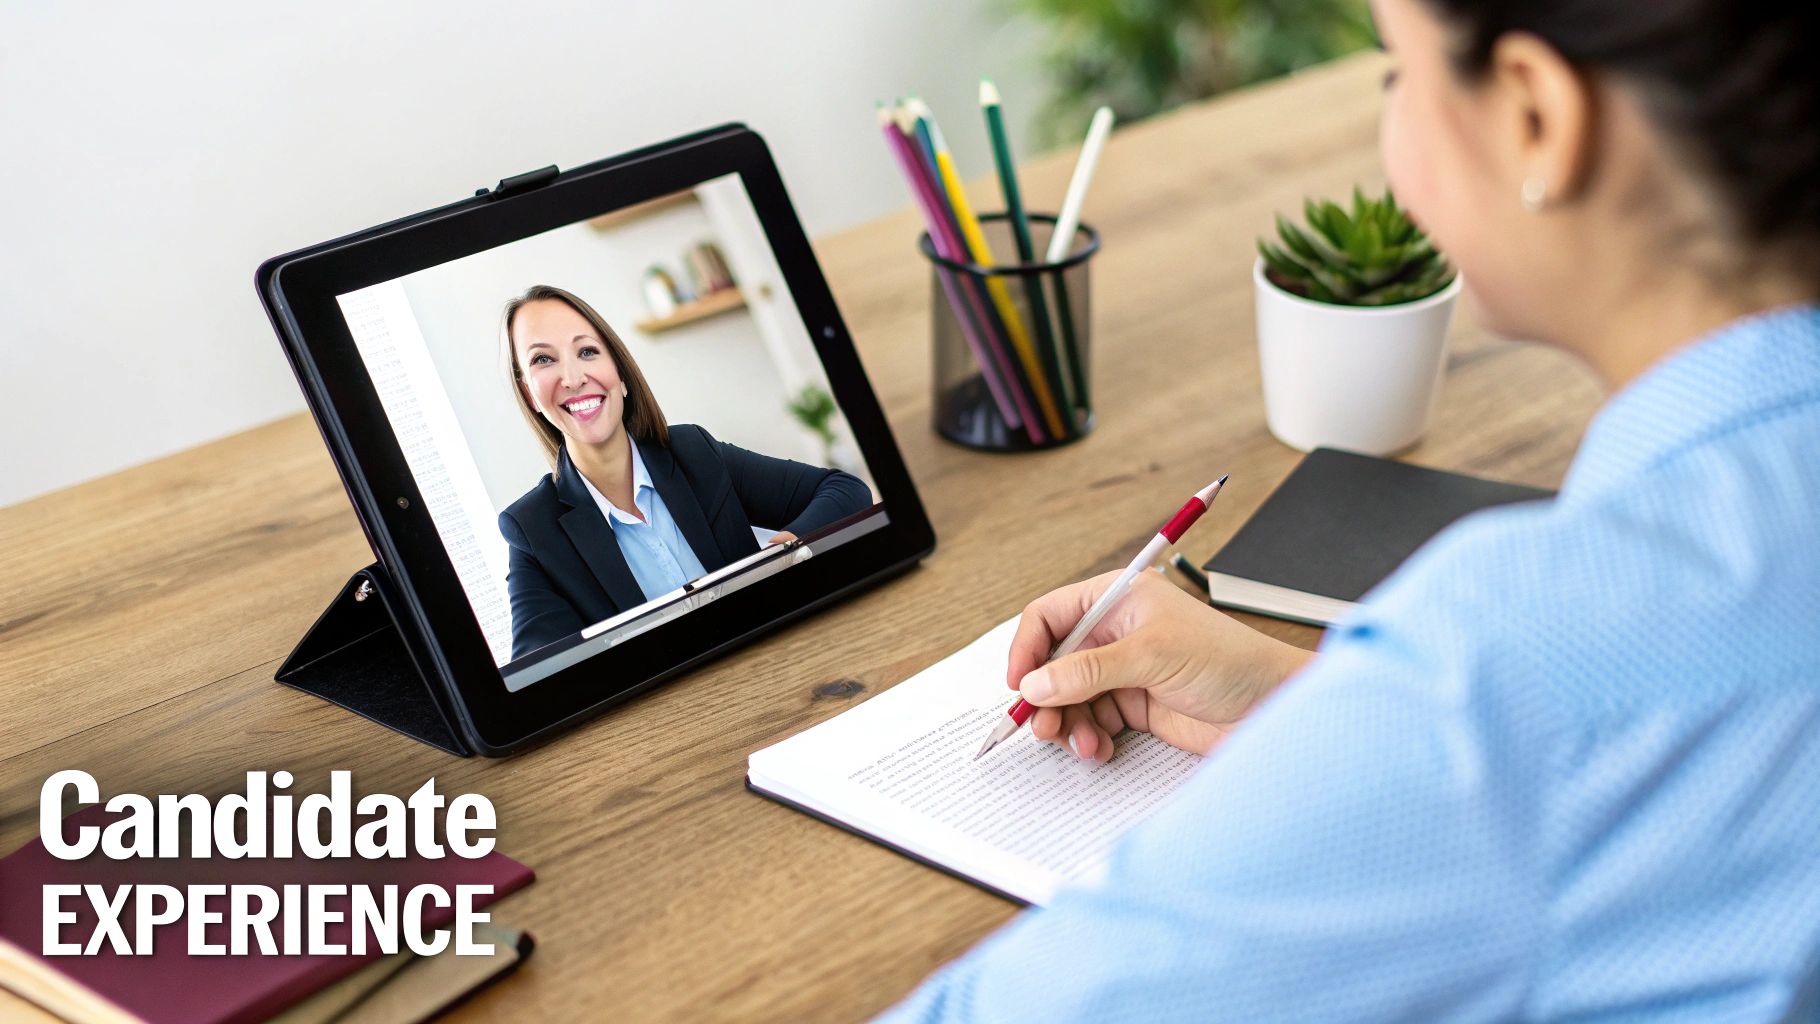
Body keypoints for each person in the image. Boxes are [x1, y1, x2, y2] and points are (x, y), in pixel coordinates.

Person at [884, 0, 1820, 1019]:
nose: (1390, 114)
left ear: (1534, 118)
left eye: (1394, 73)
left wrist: (1413, 718)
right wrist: (1320, 713)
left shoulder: (1520, 658)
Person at [497, 285, 872, 660]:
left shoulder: (695, 453)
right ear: (530, 395)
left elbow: (845, 492)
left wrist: (778, 558)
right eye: (543, 360)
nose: (573, 376)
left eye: (587, 351)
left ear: (621, 376)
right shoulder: (531, 529)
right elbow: (540, 672)